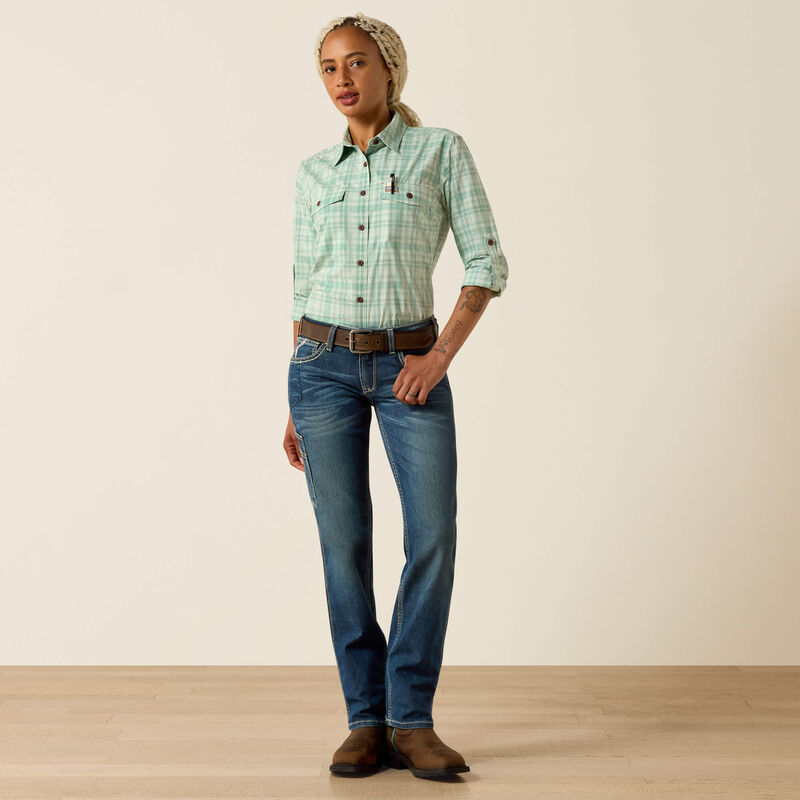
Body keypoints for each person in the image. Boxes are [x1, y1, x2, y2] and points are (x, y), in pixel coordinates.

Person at [283, 11, 509, 780]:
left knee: (433, 535)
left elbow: (486, 262)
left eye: (356, 62)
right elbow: (303, 287)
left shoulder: (439, 150)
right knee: (343, 546)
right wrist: (293, 399)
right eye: (328, 67)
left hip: (409, 366)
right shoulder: (314, 173)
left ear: (389, 67)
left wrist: (439, 357)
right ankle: (364, 720)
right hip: (320, 371)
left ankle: (411, 718)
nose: (342, 79)